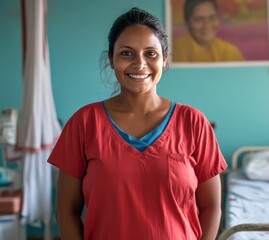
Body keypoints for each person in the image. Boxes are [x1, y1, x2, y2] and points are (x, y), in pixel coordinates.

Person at [48, 7, 227, 240]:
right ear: (111, 59)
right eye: (126, 53)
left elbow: (212, 208)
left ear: (164, 59)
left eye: (150, 54)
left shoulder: (194, 122)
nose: (139, 63)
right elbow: (66, 211)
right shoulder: (84, 123)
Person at [172, 0, 245, 62]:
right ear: (187, 22)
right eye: (199, 19)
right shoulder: (174, 52)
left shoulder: (231, 53)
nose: (207, 25)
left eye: (212, 18)